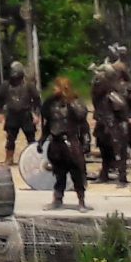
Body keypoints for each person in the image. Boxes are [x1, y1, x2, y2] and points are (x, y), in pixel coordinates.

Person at [43, 76, 90, 209]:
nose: (54, 89)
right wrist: (42, 140)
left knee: (77, 173)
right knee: (59, 174)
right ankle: (57, 199)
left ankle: (81, 201)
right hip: (56, 143)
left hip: (70, 142)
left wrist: (86, 143)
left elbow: (82, 118)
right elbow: (46, 118)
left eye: (57, 87)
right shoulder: (53, 103)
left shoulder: (75, 102)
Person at [2, 61, 40, 160]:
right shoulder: (6, 85)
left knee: (31, 138)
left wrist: (36, 114)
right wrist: (0, 112)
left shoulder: (28, 85)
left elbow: (37, 100)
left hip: (26, 115)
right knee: (10, 138)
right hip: (12, 115)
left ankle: (35, 158)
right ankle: (9, 158)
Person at [96, 86, 131, 186]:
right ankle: (104, 174)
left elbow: (111, 116)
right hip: (105, 128)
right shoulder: (102, 98)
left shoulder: (113, 97)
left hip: (115, 129)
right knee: (105, 153)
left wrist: (111, 128)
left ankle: (122, 177)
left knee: (120, 154)